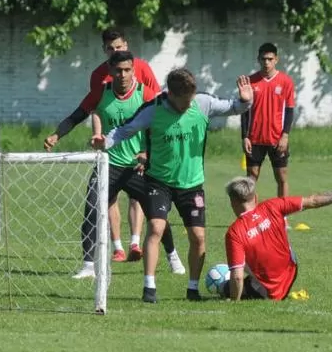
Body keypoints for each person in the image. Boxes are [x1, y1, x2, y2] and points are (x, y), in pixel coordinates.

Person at [92, 68, 253, 303]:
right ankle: (149, 289)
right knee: (156, 228)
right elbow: (126, 129)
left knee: (198, 237)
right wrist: (105, 140)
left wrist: (245, 100)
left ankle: (193, 289)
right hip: (159, 181)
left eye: (191, 99)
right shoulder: (153, 109)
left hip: (192, 184)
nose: (189, 104)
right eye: (184, 101)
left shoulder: (203, 102)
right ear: (171, 95)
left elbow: (234, 107)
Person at [46, 30, 186, 274]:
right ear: (110, 72)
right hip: (108, 165)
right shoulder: (101, 92)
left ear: (134, 69)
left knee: (157, 212)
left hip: (137, 166)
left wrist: (148, 154)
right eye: (118, 71)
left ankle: (173, 256)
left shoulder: (147, 94)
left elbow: (163, 128)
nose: (122, 75)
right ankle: (88, 265)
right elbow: (77, 116)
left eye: (127, 70)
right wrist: (57, 135)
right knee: (91, 208)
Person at [221, 176, 332, 301]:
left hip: (271, 291)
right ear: (255, 197)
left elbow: (237, 277)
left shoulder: (234, 232)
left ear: (232, 202)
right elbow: (314, 201)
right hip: (291, 271)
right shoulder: (273, 205)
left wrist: (235, 301)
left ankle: (259, 287)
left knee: (226, 285)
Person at [241, 43, 296, 197]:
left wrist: (285, 135)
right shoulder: (250, 81)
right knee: (251, 178)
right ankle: (252, 214)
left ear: (276, 60)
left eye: (270, 59)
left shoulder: (286, 81)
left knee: (282, 176)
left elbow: (289, 110)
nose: (266, 62)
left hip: (277, 138)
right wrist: (245, 136)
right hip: (255, 138)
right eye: (263, 59)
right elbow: (244, 111)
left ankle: (282, 217)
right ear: (258, 59)